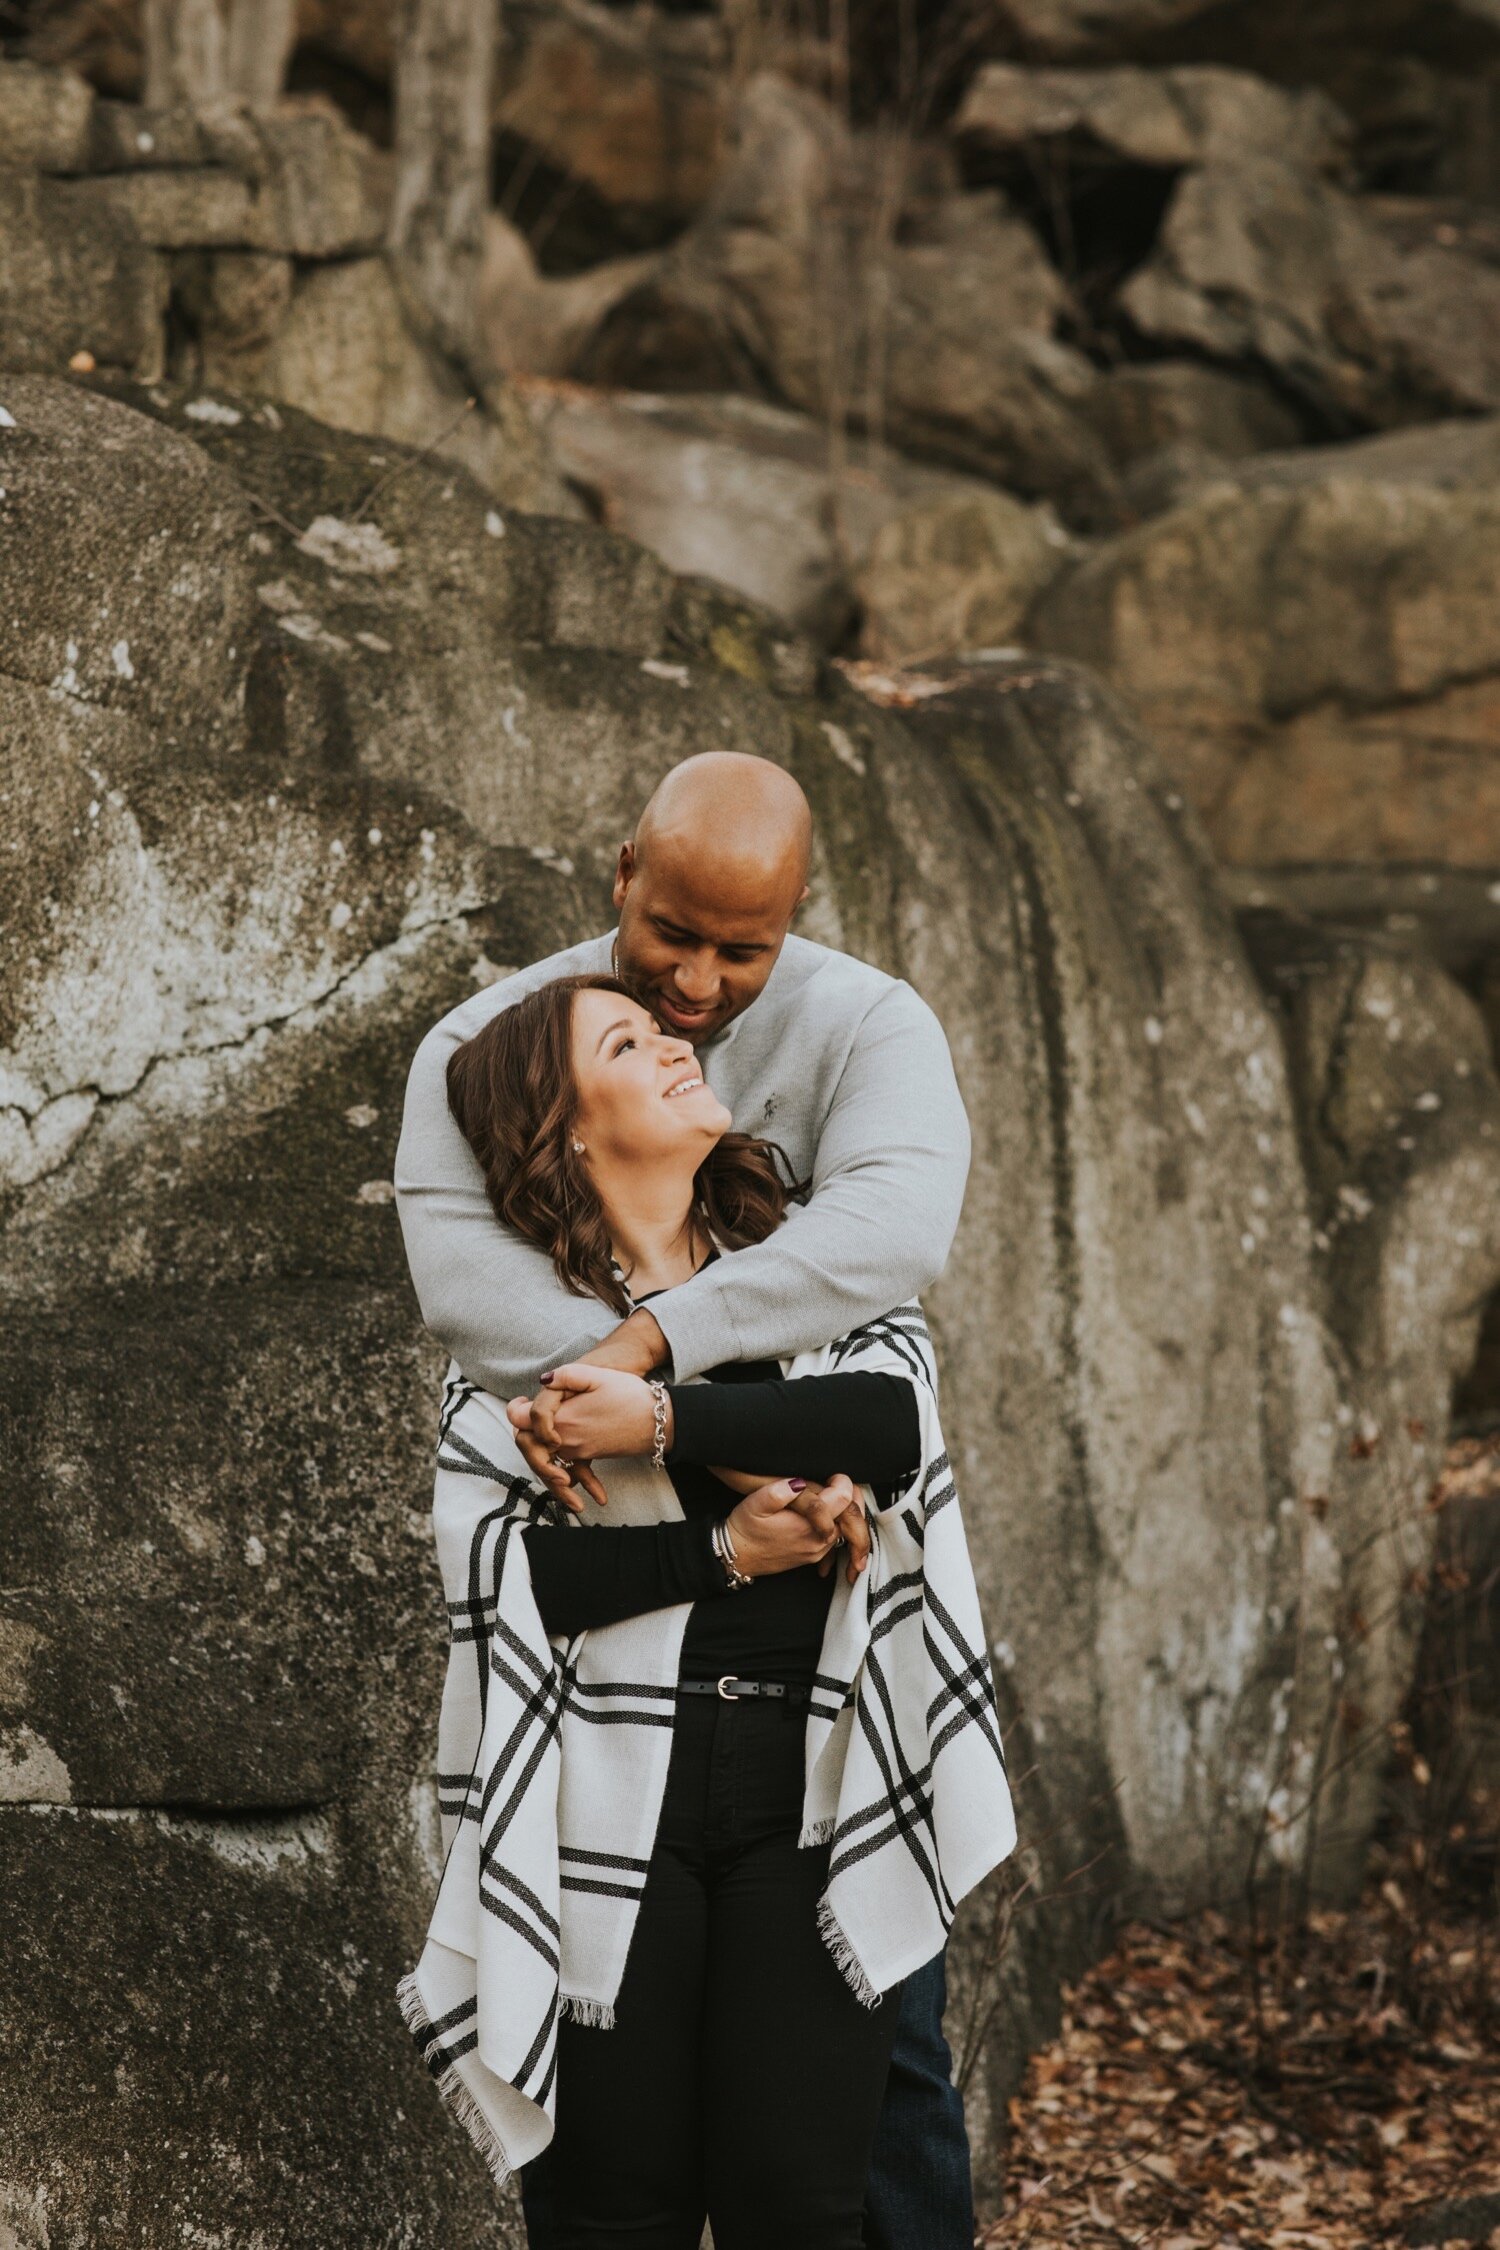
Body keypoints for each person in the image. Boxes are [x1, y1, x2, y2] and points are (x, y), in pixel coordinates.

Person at [395, 752, 981, 2246]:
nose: (698, 992)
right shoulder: (497, 1036)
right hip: (615, 1761)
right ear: (620, 871)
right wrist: (740, 1513)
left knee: (856, 2125)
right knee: (615, 2194)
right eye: (672, 939)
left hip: (818, 1742)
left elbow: (892, 1283)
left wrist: (656, 1381)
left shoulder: (866, 1028)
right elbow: (478, 1316)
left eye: (744, 949)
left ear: (798, 916)